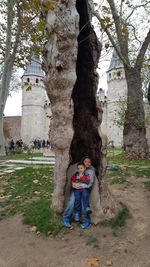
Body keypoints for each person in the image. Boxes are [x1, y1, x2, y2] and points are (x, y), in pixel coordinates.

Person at [63, 156, 95, 229]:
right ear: (82, 162)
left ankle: (85, 220)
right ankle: (66, 218)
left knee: (84, 205)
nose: (87, 163)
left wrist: (81, 185)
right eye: (85, 161)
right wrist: (73, 184)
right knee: (72, 202)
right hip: (76, 190)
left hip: (84, 190)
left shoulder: (90, 171)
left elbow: (90, 183)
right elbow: (73, 179)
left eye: (89, 162)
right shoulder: (78, 170)